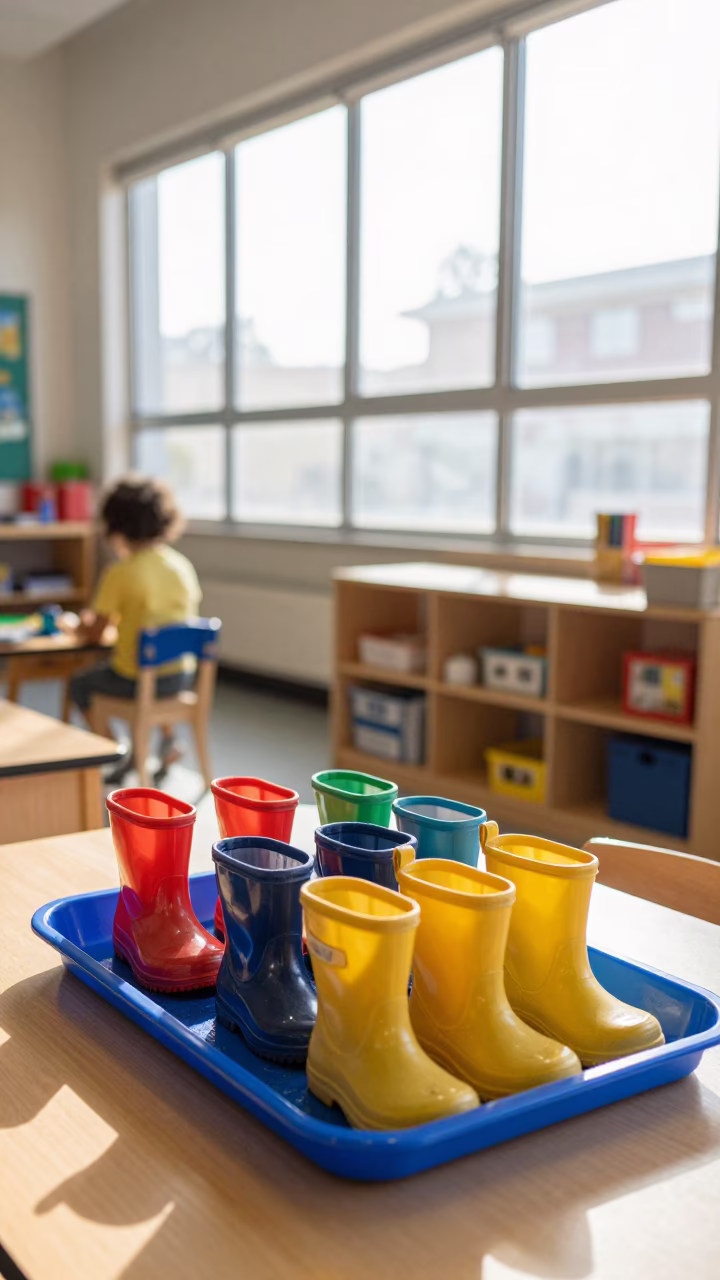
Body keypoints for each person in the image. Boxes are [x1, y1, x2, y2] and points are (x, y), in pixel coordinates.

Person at [68, 474, 201, 778]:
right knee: (148, 666)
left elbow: (95, 633)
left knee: (81, 683)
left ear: (116, 525)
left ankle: (118, 748)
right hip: (182, 675)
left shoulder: (121, 572)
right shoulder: (181, 565)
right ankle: (168, 739)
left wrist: (76, 625)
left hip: (138, 678)